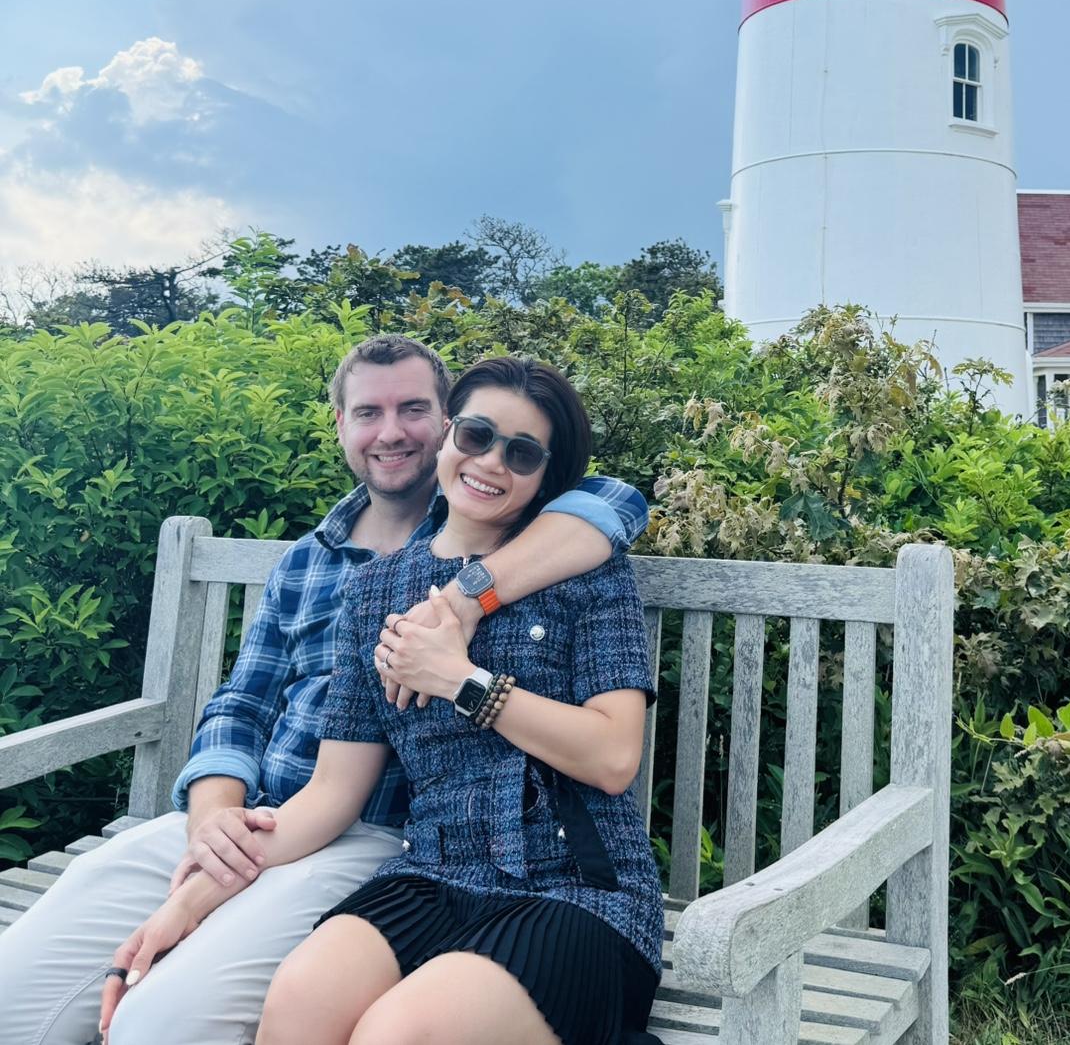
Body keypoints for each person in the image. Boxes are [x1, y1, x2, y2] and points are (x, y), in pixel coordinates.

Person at [0, 335, 647, 1045]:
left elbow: (615, 507)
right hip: (301, 829)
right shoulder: (350, 581)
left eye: (520, 452)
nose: (491, 459)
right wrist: (209, 837)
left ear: (436, 423)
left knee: (179, 1025)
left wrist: (461, 631)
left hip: (455, 855)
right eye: (478, 435)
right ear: (342, 424)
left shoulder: (568, 550)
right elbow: (249, 711)